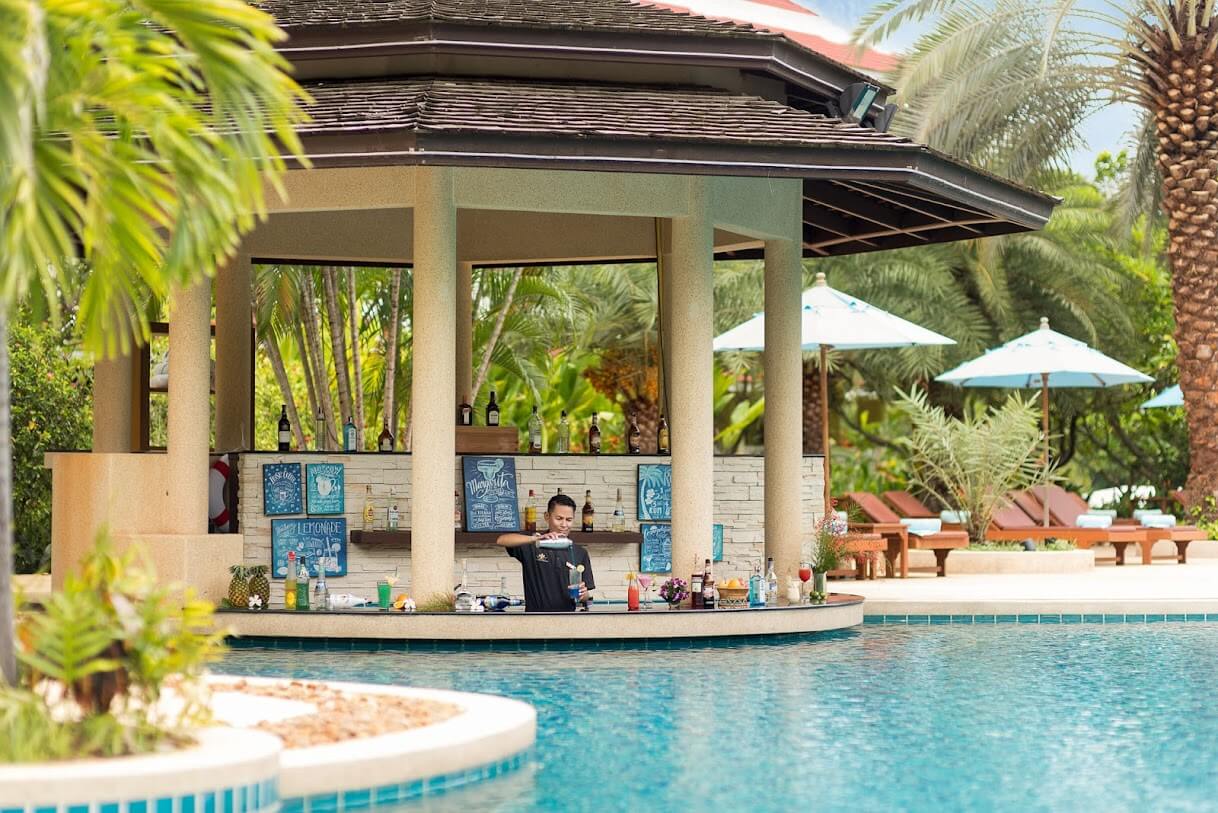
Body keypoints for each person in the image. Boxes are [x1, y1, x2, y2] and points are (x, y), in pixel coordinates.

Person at [497, 493, 596, 612]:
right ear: (547, 516)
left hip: (568, 619)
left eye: (569, 520)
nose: (564, 525)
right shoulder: (533, 545)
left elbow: (586, 597)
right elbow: (501, 540)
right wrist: (535, 538)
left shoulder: (580, 552)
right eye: (559, 519)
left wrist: (583, 594)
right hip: (534, 618)